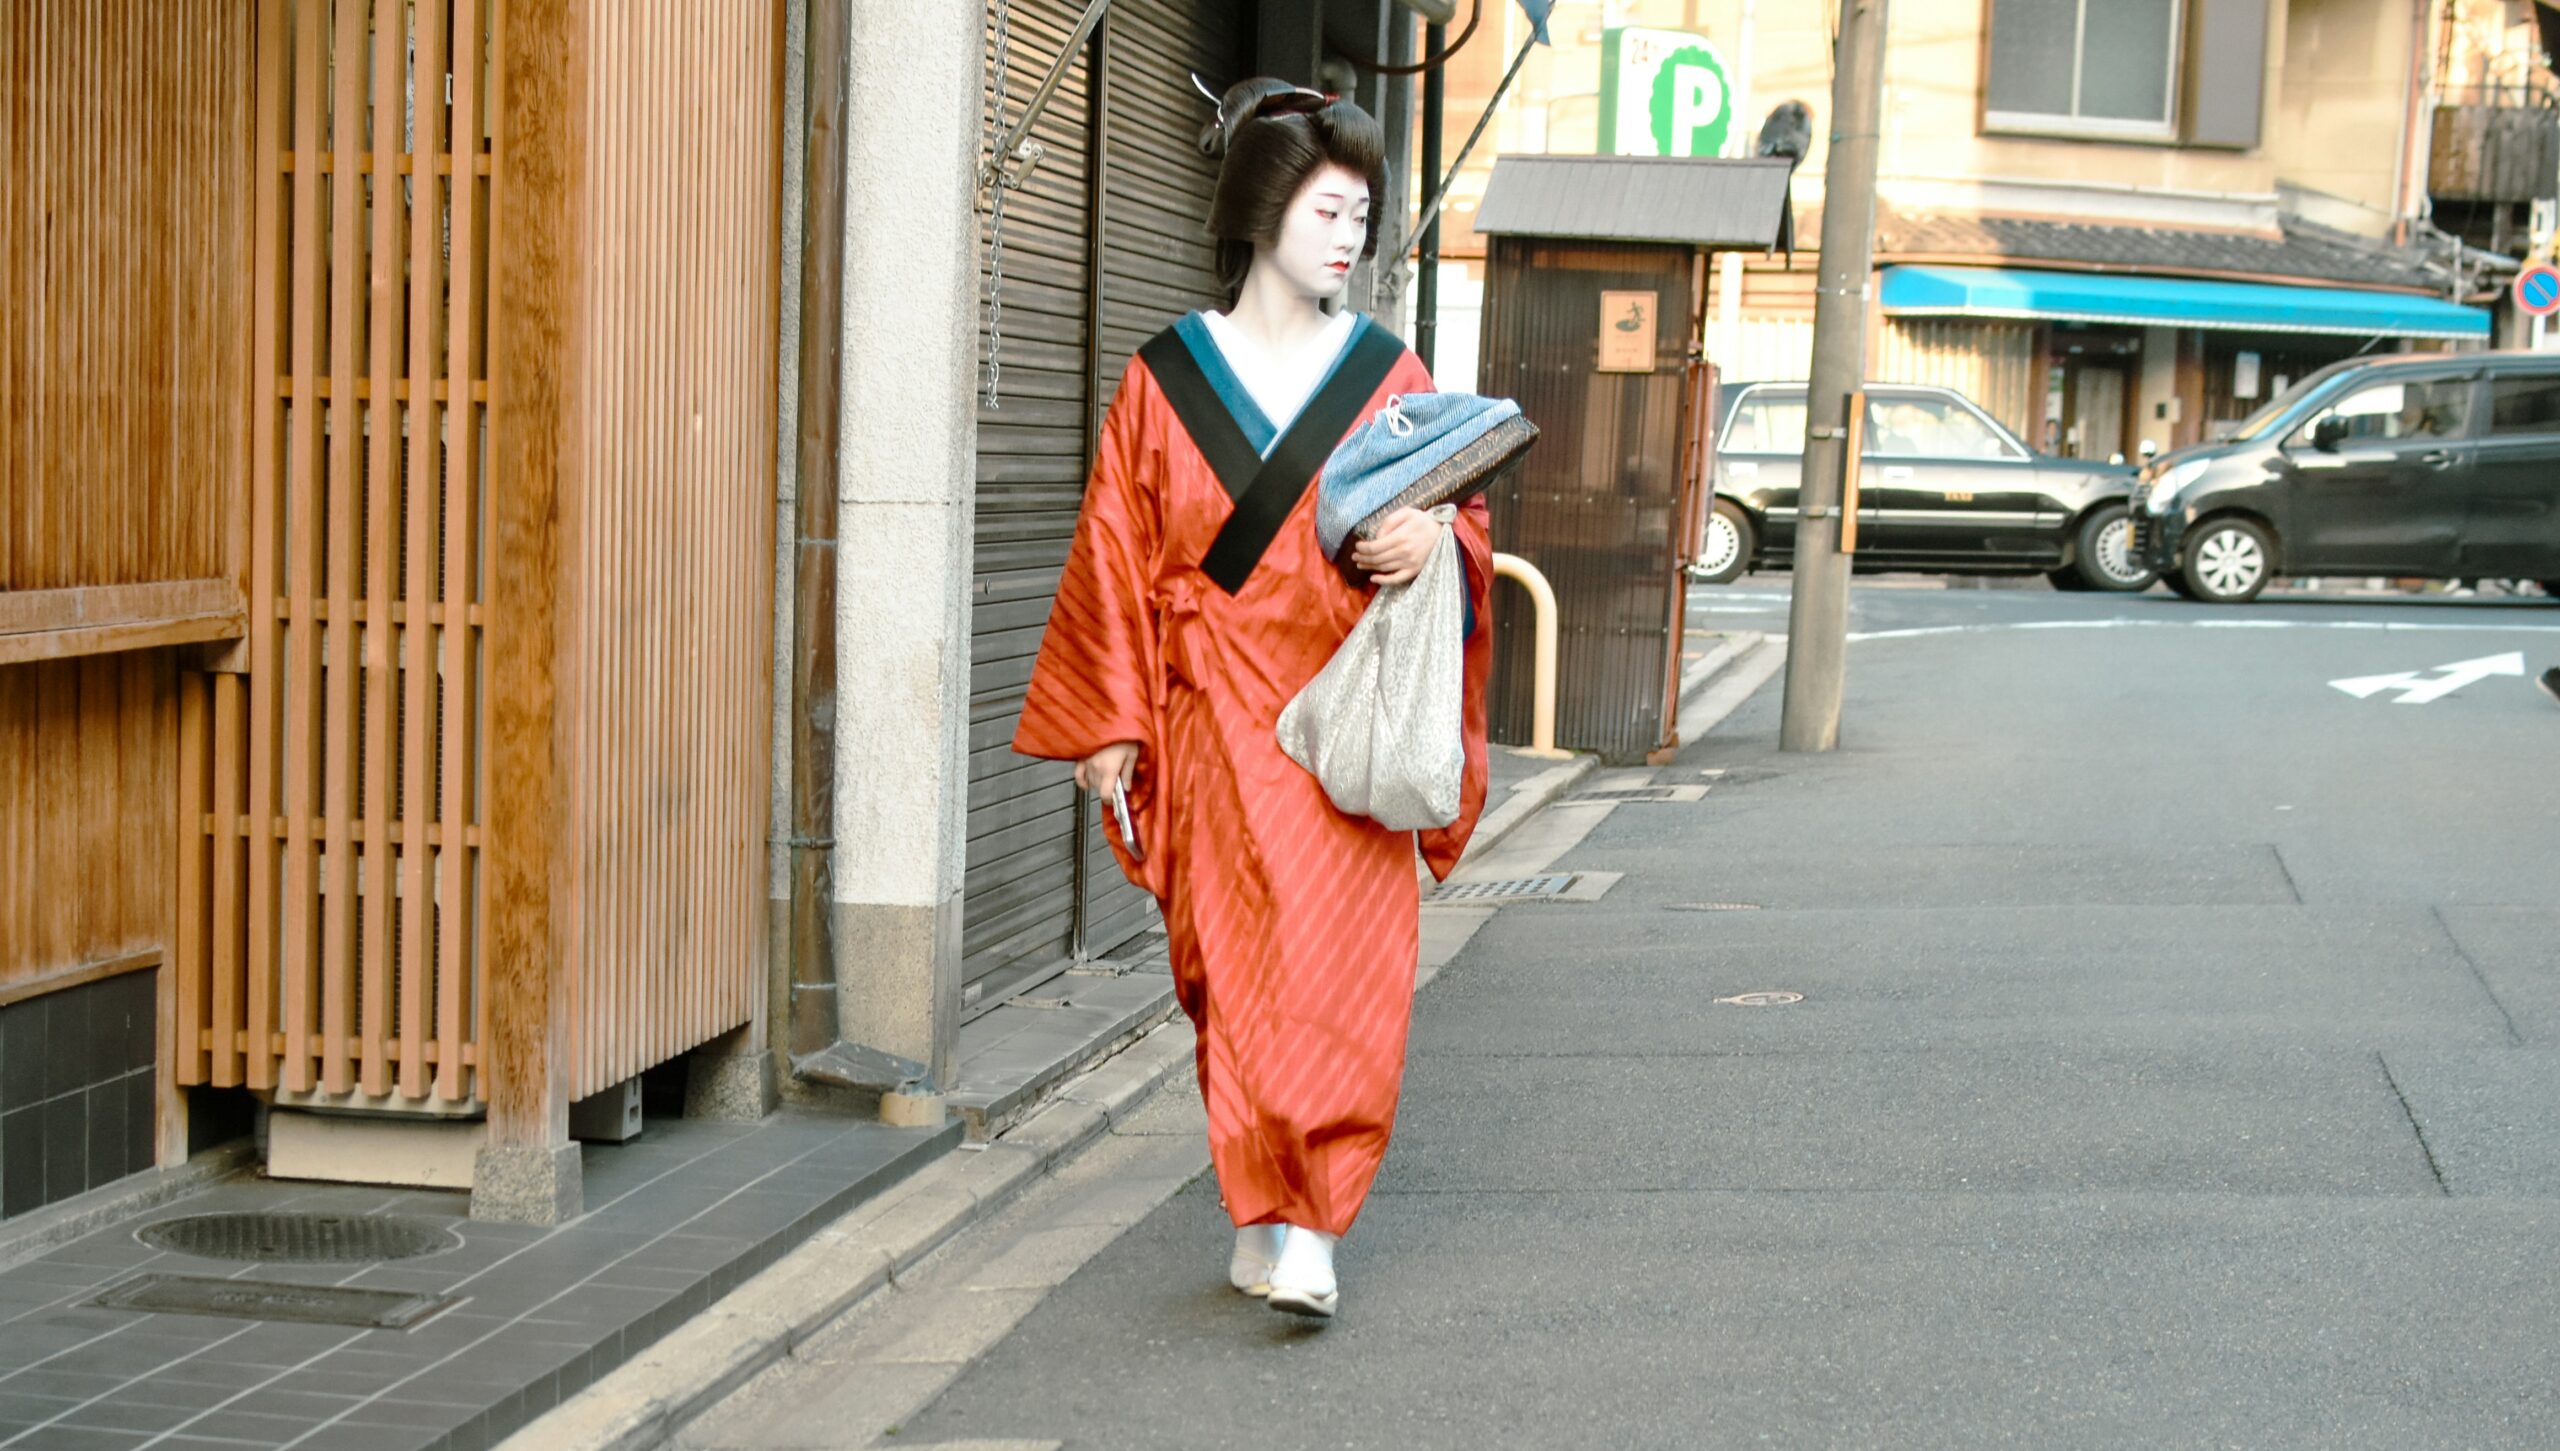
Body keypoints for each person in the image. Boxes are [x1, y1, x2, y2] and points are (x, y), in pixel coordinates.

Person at [1010, 79, 1495, 1321]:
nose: (1351, 235)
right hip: (1209, 714)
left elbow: (1460, 510)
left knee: (1343, 971)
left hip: (1344, 709)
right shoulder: (1163, 375)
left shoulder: (1390, 369)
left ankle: (1314, 1223)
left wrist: (1432, 541)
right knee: (1229, 974)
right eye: (1331, 208)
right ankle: (1263, 1202)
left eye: (1364, 214)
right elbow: (1111, 548)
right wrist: (1109, 722)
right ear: (1262, 209)